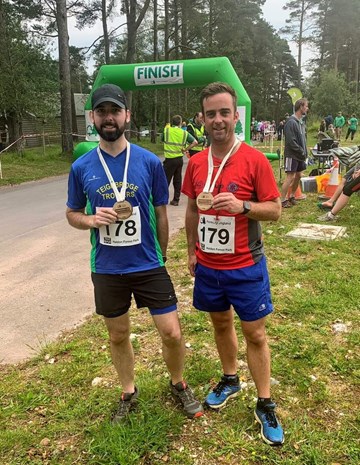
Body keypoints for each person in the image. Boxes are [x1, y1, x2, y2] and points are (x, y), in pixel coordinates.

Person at [66, 84, 203, 423]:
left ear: (127, 115)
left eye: (115, 111)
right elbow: (71, 213)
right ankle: (128, 391)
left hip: (148, 263)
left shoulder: (148, 162)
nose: (108, 118)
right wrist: (90, 219)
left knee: (171, 331)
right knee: (118, 333)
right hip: (108, 267)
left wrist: (163, 254)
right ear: (93, 117)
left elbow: (159, 213)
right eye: (102, 112)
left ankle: (178, 382)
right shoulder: (82, 166)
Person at [182, 82, 284, 446]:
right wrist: (192, 251)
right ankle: (230, 378)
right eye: (211, 114)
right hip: (209, 267)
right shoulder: (195, 162)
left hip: (245, 265)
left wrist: (243, 206)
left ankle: (265, 402)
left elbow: (275, 210)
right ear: (203, 119)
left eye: (225, 112)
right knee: (220, 323)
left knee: (255, 333)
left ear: (235, 115)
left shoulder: (254, 159)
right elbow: (193, 208)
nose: (218, 120)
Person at [163, 115, 198, 206]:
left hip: (169, 159)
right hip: (179, 159)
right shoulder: (184, 133)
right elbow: (195, 142)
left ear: (172, 122)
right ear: (180, 123)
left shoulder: (166, 130)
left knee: (165, 180)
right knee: (177, 180)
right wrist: (186, 149)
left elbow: (162, 139)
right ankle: (176, 200)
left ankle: (162, 199)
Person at [280, 98, 309, 208]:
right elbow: (291, 141)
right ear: (301, 107)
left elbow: (302, 139)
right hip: (292, 154)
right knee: (290, 177)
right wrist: (301, 151)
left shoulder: (300, 122)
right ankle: (282, 200)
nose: (307, 108)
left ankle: (292, 196)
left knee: (299, 175)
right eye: (306, 106)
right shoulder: (291, 122)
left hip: (300, 155)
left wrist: (305, 151)